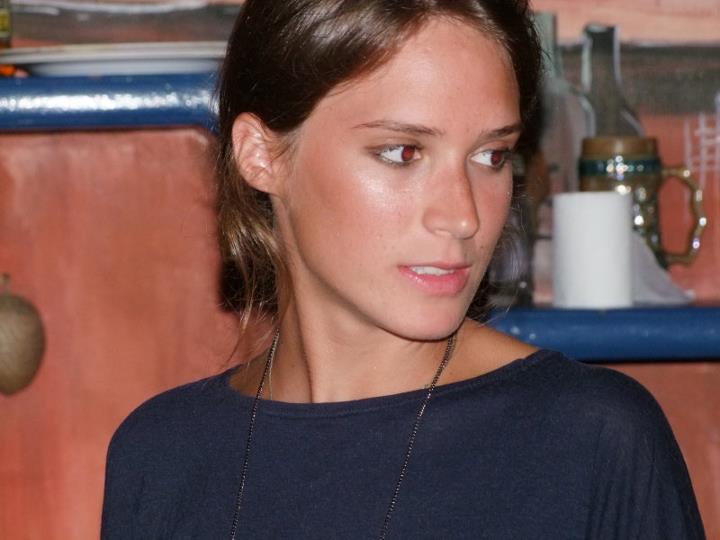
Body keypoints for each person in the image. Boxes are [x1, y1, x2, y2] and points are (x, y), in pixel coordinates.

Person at [101, 1, 706, 538]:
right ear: (262, 156)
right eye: (402, 152)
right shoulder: (161, 456)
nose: (464, 215)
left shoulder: (589, 443)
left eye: (491, 156)